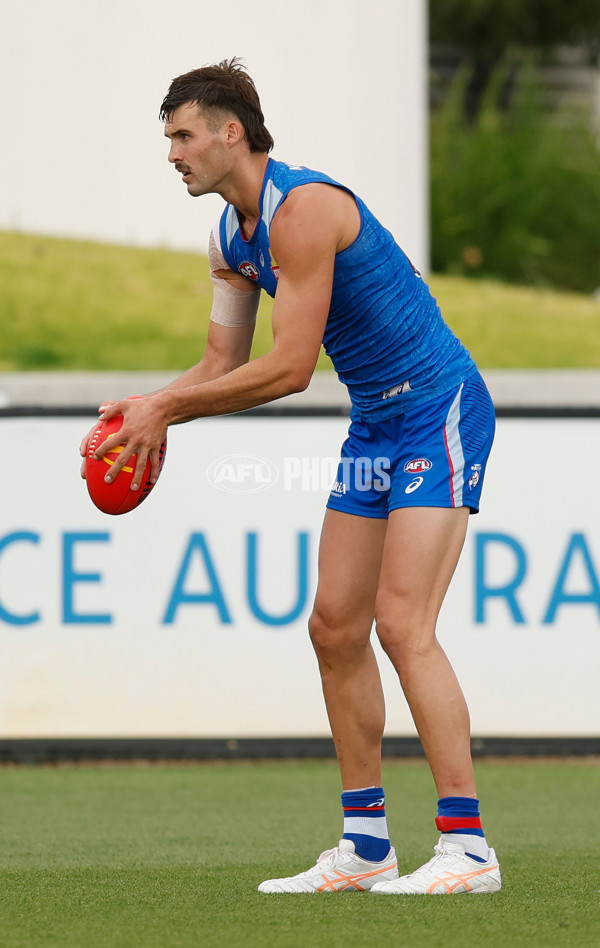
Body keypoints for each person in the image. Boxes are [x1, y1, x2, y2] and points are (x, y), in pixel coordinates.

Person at [80, 58, 501, 896]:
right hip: (378, 420)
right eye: (169, 138)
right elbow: (221, 359)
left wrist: (170, 413)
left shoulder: (303, 211)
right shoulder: (228, 239)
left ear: (231, 132)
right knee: (333, 627)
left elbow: (291, 368)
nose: (172, 153)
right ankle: (366, 845)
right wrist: (153, 404)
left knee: (402, 624)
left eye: (183, 135)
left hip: (439, 405)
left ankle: (469, 849)